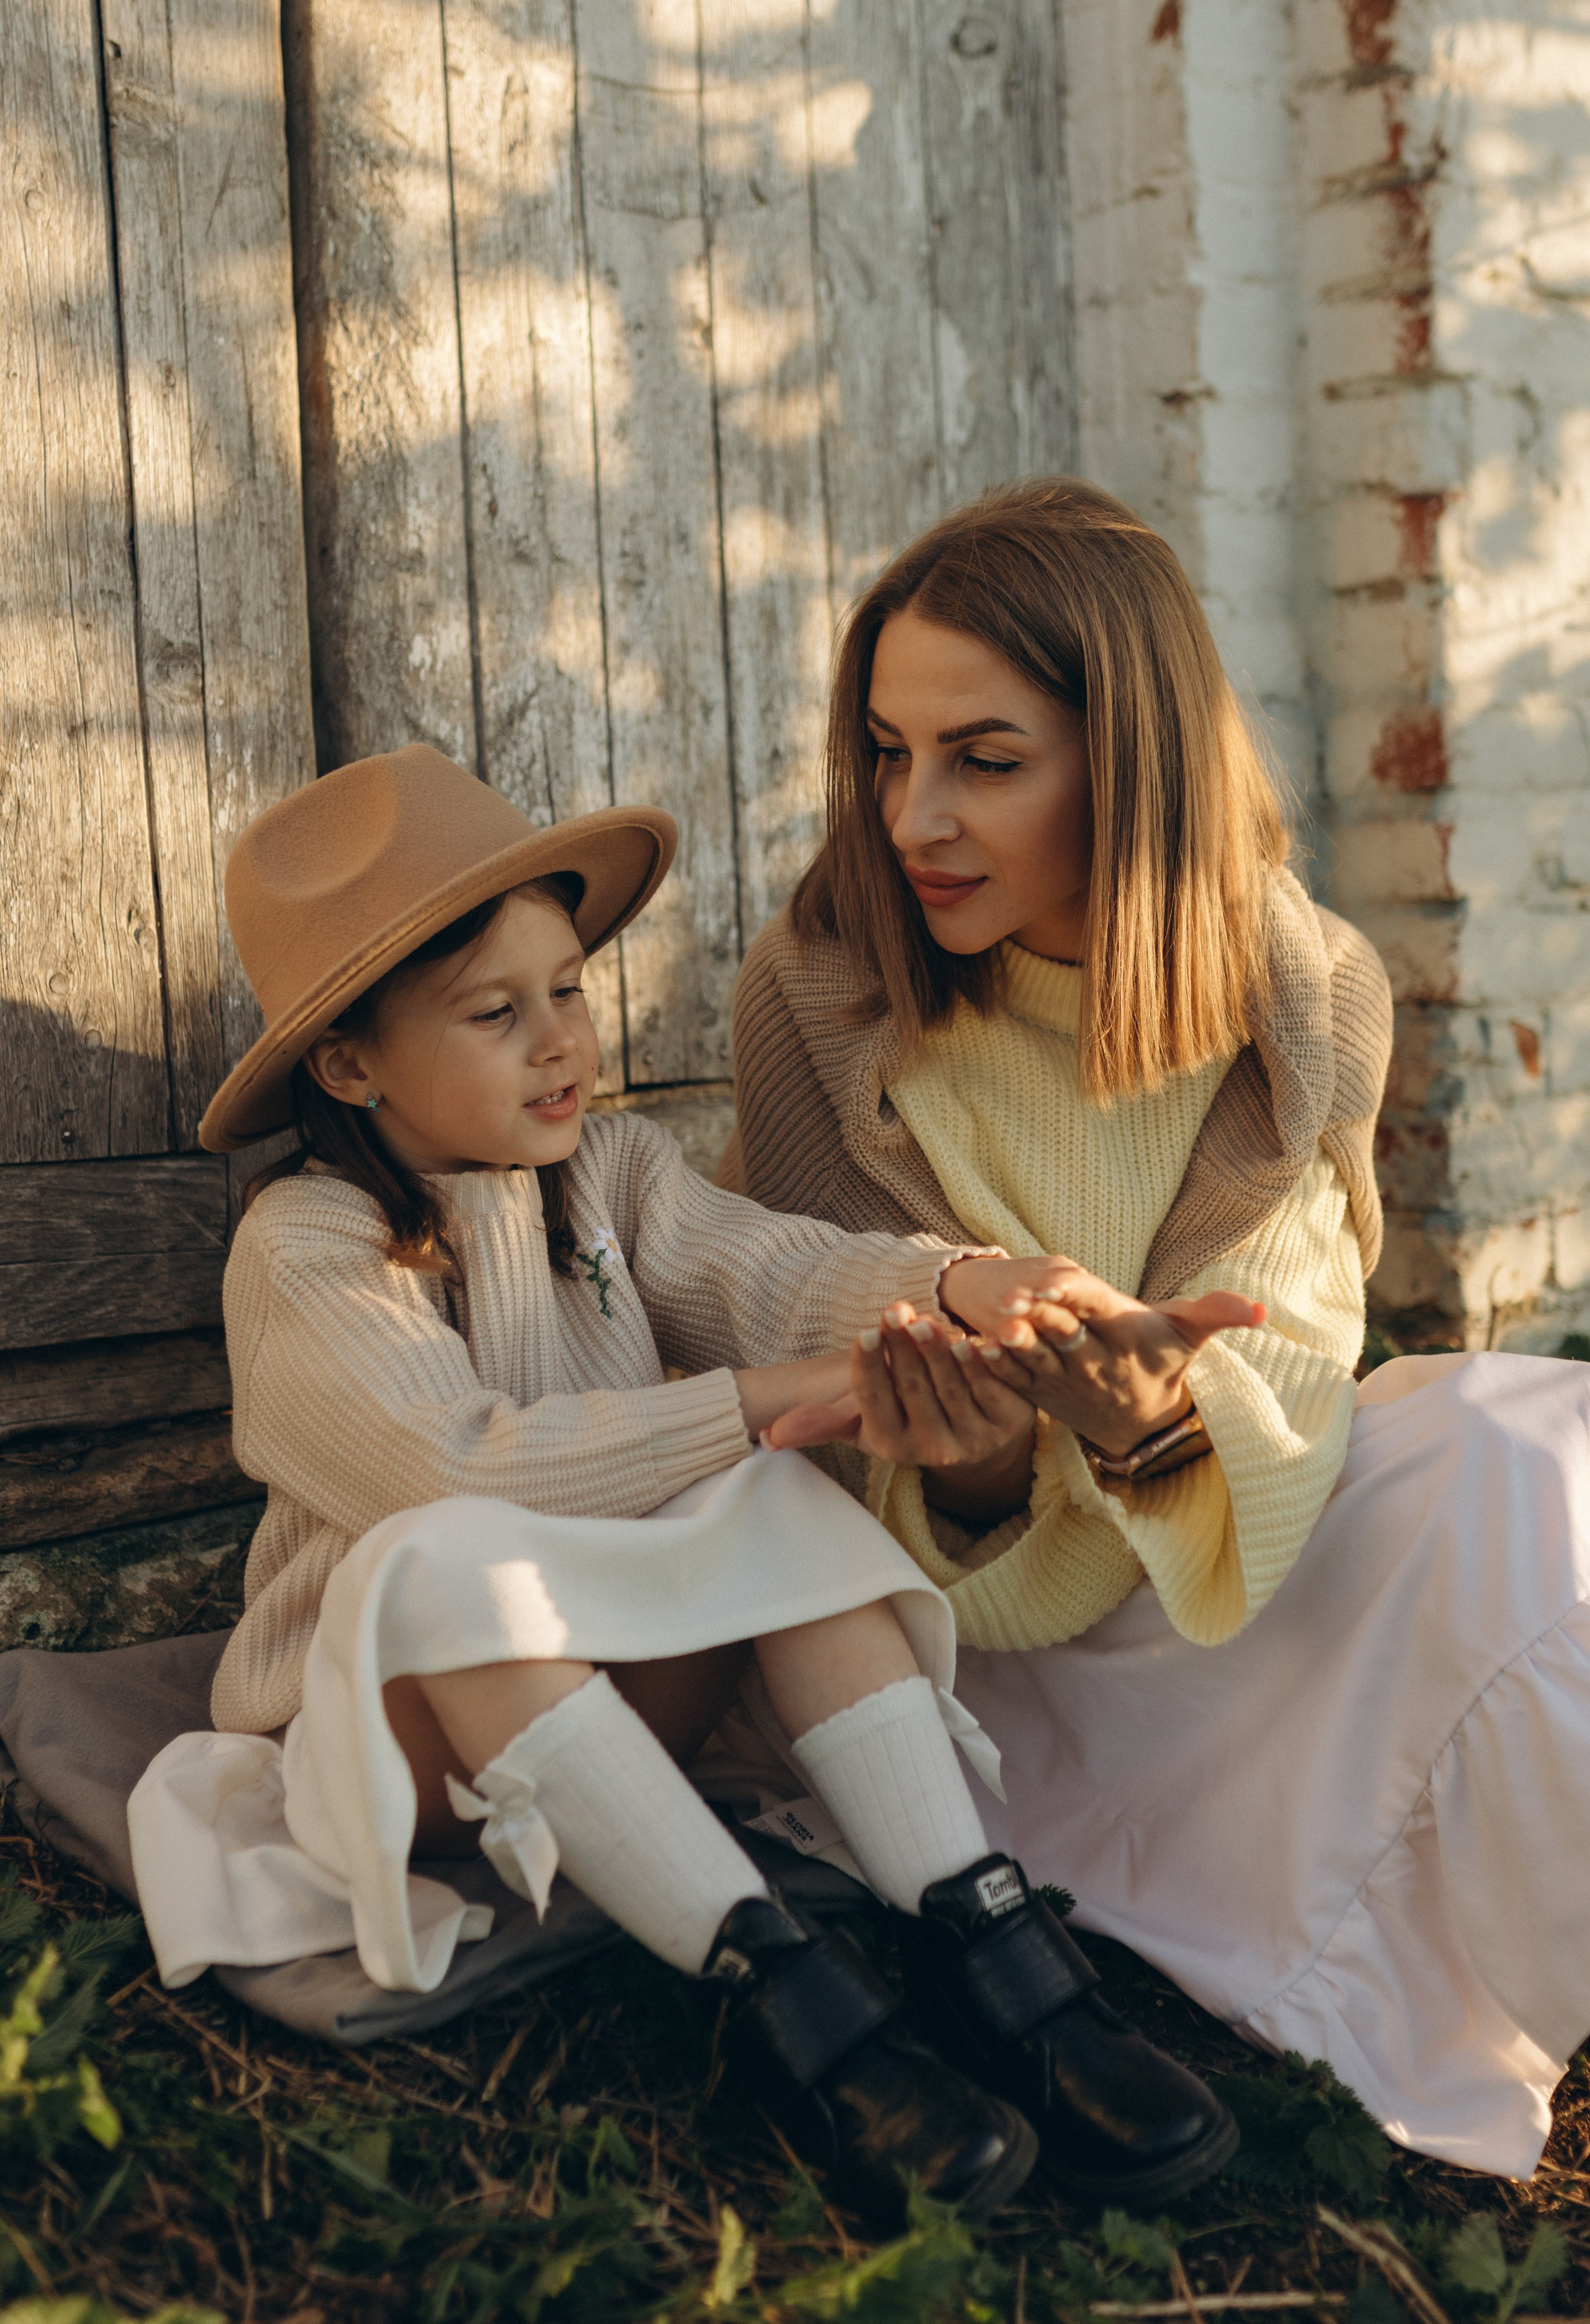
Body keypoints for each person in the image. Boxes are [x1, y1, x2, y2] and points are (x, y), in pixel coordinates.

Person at [126, 742, 1244, 2226]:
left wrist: (976, 1291)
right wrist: (766, 1401)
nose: (558, 1045)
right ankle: (779, 1992)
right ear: (348, 1065)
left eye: (569, 991)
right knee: (461, 1552)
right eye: (493, 1013)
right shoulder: (309, 1247)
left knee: (782, 1498)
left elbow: (774, 1270)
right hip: (408, 1747)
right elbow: (441, 1466)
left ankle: (985, 1944)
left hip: (617, 1694)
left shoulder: (614, 1175)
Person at [724, 477, 1590, 2181]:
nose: (916, 818)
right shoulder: (820, 991)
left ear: (1129, 758)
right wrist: (970, 1478)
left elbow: (1288, 1348)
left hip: (1218, 1536)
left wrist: (1141, 1429)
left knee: (1521, 1439)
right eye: (889, 753)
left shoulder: (1298, 984)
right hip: (970, 1636)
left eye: (986, 758)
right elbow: (802, 1405)